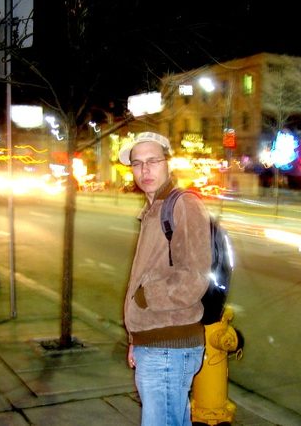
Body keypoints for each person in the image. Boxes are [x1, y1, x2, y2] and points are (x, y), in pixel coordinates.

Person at [119, 132, 211, 426]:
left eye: (153, 161)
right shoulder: (152, 210)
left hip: (170, 346)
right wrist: (135, 338)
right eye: (137, 163)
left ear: (168, 163)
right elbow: (146, 273)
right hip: (156, 342)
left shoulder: (183, 204)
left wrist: (146, 298)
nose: (144, 170)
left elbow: (195, 276)